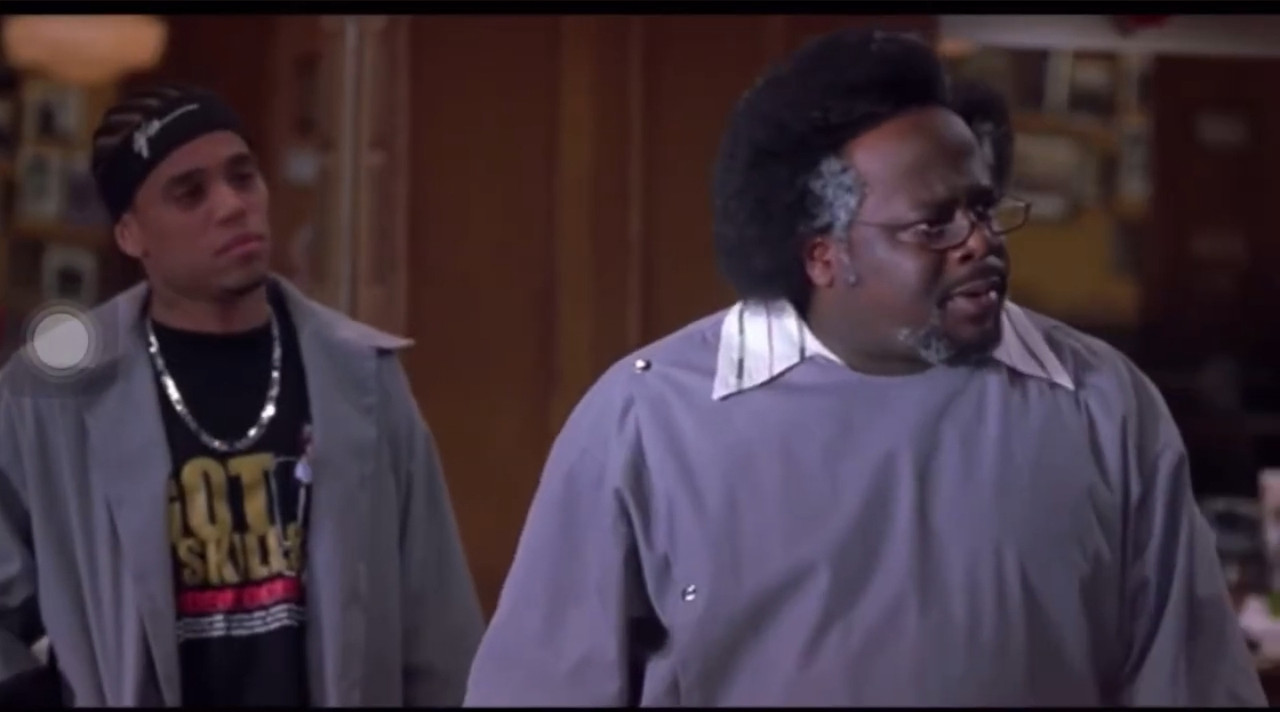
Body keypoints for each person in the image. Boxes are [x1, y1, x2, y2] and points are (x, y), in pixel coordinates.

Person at [465, 29, 1266, 706]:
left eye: (983, 209)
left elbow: (1193, 681)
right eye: (933, 224)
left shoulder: (1102, 404)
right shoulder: (648, 420)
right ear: (823, 254)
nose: (981, 242)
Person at [0, 84, 484, 706]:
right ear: (130, 234)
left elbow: (438, 622)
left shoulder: (360, 374)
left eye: (242, 177)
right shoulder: (50, 394)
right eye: (190, 193)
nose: (232, 206)